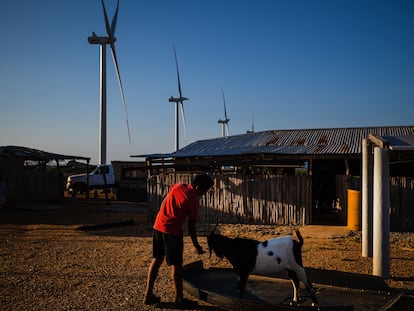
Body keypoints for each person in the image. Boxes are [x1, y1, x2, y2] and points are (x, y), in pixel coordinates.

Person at [143, 174, 214, 306]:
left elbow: (170, 199)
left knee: (157, 259)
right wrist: (196, 245)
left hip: (158, 225)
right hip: (171, 231)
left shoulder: (178, 186)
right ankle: (179, 299)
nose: (204, 193)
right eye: (205, 190)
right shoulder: (193, 199)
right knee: (177, 264)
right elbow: (191, 226)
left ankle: (148, 294)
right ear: (198, 187)